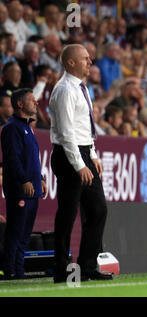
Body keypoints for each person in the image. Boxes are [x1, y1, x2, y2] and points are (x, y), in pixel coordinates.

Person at [49, 44, 113, 283]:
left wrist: (92, 155)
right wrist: (78, 164)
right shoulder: (65, 89)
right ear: (71, 63)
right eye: (85, 58)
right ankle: (61, 268)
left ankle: (87, 265)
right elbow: (66, 132)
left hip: (84, 152)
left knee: (98, 209)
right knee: (67, 211)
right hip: (69, 156)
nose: (91, 61)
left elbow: (82, 127)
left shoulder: (80, 88)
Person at [0, 88, 47, 280]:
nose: (36, 103)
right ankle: (10, 269)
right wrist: (24, 180)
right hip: (20, 189)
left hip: (33, 187)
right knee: (16, 230)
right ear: (20, 104)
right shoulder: (12, 128)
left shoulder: (27, 128)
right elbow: (13, 159)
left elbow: (31, 159)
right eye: (31, 100)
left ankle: (18, 270)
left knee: (25, 232)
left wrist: (41, 179)